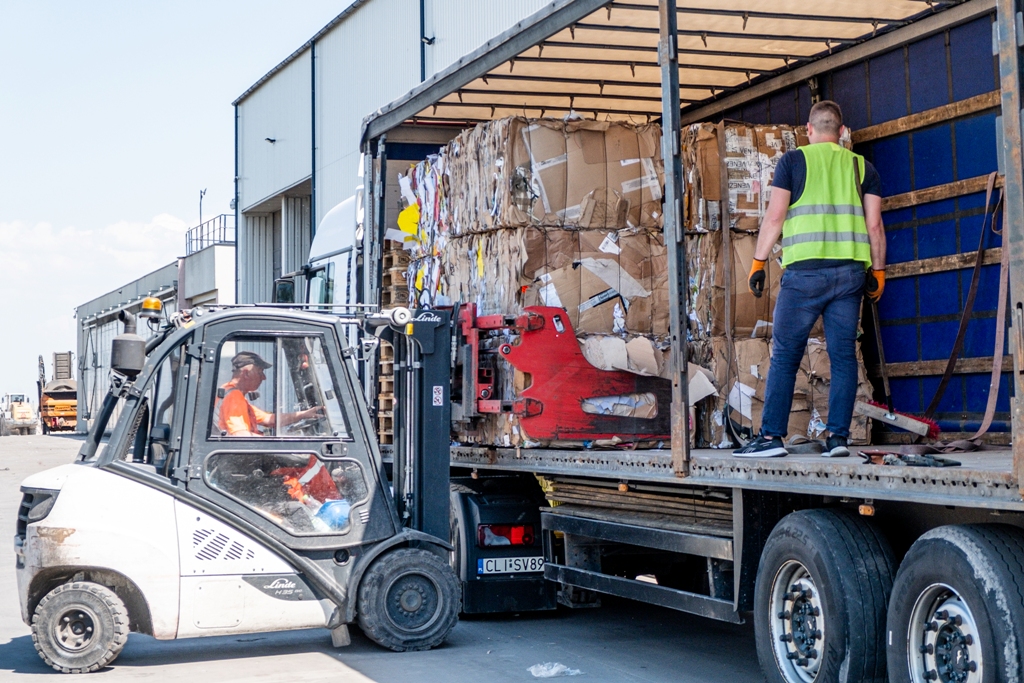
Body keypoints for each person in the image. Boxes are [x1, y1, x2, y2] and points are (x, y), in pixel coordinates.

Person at [733, 101, 886, 458]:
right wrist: (878, 271)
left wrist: (757, 262)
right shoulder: (862, 167)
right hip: (849, 275)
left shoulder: (793, 161)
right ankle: (838, 439)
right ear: (842, 132)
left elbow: (774, 217)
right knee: (843, 356)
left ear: (809, 129)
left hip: (804, 275)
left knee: (786, 354)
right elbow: (875, 225)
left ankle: (772, 438)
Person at [215, 351, 324, 436]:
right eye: (260, 372)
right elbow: (240, 435)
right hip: (238, 460)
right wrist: (276, 444)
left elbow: (269, 419)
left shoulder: (230, 393)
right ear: (246, 373)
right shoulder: (234, 397)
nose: (264, 377)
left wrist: (304, 414)